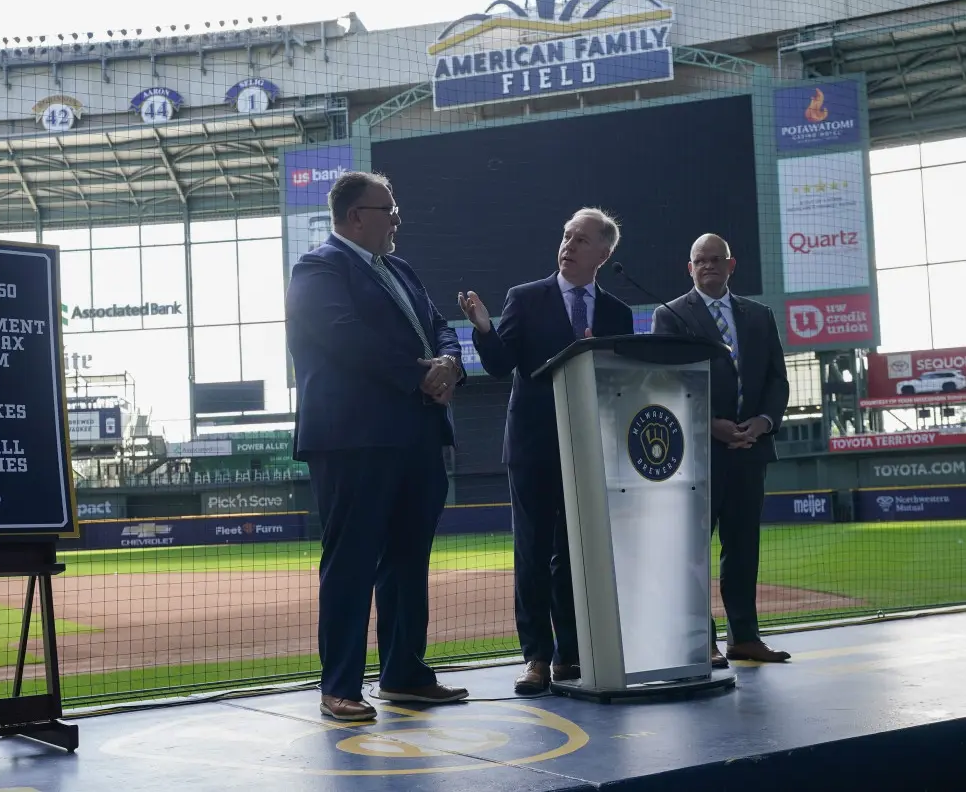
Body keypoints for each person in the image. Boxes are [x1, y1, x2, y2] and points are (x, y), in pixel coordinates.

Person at [285, 170, 470, 722]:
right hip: (353, 440)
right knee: (351, 562)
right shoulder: (317, 268)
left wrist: (449, 363)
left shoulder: (401, 269)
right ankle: (339, 686)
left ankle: (405, 674)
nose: (397, 219)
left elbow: (439, 325)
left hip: (417, 436)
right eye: (388, 209)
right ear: (355, 216)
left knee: (409, 561)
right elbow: (345, 337)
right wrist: (421, 375)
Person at [457, 208, 635, 694]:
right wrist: (485, 328)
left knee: (576, 555)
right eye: (565, 236)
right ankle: (536, 657)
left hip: (590, 450)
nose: (569, 245)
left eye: (581, 240)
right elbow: (499, 366)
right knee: (534, 552)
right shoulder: (527, 298)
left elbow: (624, 385)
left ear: (604, 254)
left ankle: (571, 656)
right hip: (535, 448)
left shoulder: (617, 314)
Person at [651, 233, 791, 667]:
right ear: (689, 268)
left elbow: (777, 380)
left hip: (751, 449)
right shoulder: (671, 315)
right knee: (693, 551)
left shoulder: (759, 315)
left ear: (731, 265)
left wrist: (763, 423)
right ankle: (701, 641)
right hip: (698, 453)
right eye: (700, 260)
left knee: (743, 546)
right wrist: (709, 424)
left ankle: (744, 637)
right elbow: (665, 383)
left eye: (716, 259)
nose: (708, 266)